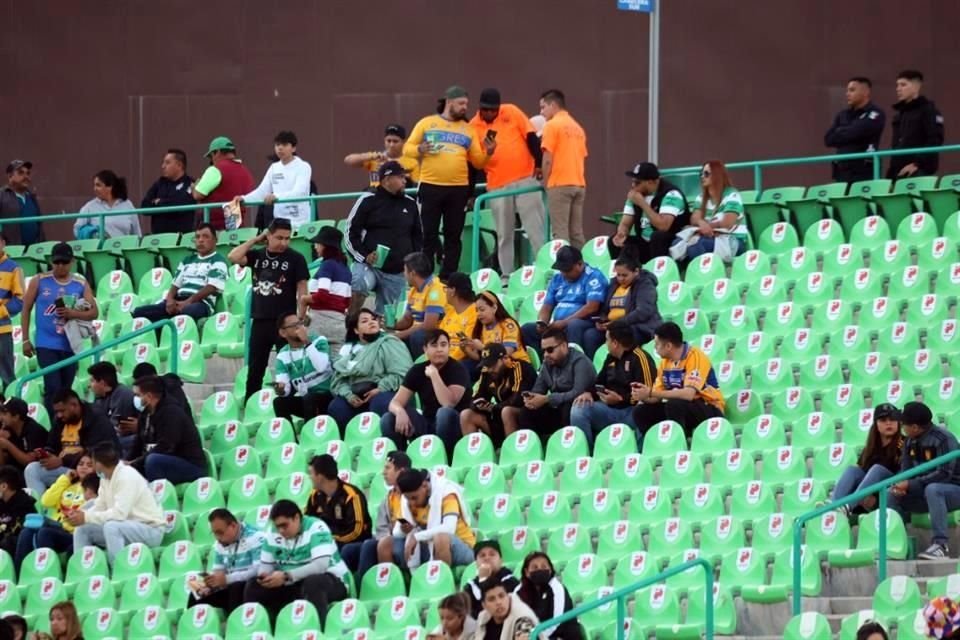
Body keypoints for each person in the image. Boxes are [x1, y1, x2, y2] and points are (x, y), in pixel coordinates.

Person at [404, 85, 494, 279]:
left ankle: (448, 275)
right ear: (449, 102)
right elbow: (407, 149)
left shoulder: (468, 130)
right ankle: (425, 276)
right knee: (428, 234)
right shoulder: (427, 123)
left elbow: (478, 162)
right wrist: (420, 149)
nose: (465, 107)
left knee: (454, 235)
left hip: (458, 189)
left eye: (466, 104)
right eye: (461, 103)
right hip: (430, 186)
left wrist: (489, 152)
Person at [228, 218, 310, 400]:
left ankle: (289, 405)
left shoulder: (296, 258)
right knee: (255, 369)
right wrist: (256, 240)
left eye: (287, 238)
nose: (284, 243)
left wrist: (301, 317)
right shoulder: (257, 255)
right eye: (279, 238)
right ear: (269, 236)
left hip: (286, 323)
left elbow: (302, 288)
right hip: (260, 320)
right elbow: (233, 257)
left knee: (289, 367)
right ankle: (251, 404)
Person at [470, 88, 546, 275]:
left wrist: (538, 163)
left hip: (525, 179)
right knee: (504, 233)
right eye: (486, 109)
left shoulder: (511, 111)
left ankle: (545, 269)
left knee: (536, 227)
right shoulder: (473, 126)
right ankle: (507, 274)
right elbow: (472, 164)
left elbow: (530, 137)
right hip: (498, 185)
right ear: (480, 107)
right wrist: (471, 193)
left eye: (493, 110)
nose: (490, 113)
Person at [20, 243, 98, 410]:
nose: (60, 266)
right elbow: (25, 309)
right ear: (51, 261)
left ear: (72, 261)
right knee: (53, 386)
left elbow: (94, 312)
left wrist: (73, 313)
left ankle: (64, 421)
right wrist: (25, 339)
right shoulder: (39, 281)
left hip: (69, 343)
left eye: (64, 262)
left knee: (65, 389)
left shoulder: (80, 283)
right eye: (56, 262)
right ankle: (54, 422)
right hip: (45, 343)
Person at [244, 499, 349, 622]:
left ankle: (317, 628)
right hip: (293, 582)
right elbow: (266, 566)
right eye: (278, 526)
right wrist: (266, 577)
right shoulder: (272, 533)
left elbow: (320, 566)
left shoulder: (317, 527)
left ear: (297, 518)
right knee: (253, 586)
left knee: (313, 582)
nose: (280, 531)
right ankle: (266, 628)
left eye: (284, 525)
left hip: (331, 580)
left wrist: (286, 576)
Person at [345, 160, 423, 316]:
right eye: (400, 177)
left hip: (397, 272)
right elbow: (350, 233)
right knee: (358, 282)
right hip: (369, 266)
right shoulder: (367, 200)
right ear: (387, 180)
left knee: (389, 319)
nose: (405, 181)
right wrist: (365, 256)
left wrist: (411, 265)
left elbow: (418, 238)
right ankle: (351, 321)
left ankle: (378, 327)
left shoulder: (410, 204)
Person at [382, 329, 471, 459]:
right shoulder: (417, 370)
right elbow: (395, 402)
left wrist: (434, 375)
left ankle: (446, 458)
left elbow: (448, 403)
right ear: (425, 349)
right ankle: (401, 460)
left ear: (449, 347)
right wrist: (400, 411)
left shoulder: (458, 369)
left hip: (453, 425)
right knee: (389, 418)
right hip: (427, 423)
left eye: (443, 345)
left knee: (444, 413)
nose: (439, 349)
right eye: (434, 345)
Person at [70, 443, 164, 563]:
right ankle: (81, 570)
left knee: (112, 526)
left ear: (99, 464)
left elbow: (119, 514)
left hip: (150, 530)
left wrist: (87, 517)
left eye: (92, 462)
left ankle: (118, 569)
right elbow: (100, 506)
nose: (92, 466)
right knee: (82, 528)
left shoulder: (127, 476)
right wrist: (81, 516)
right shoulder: (105, 477)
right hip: (126, 527)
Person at [889, 402, 960, 560]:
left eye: (904, 424)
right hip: (926, 492)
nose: (902, 427)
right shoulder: (909, 441)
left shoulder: (944, 439)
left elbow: (944, 475)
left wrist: (910, 484)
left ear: (915, 427)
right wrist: (900, 485)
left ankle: (941, 545)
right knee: (890, 494)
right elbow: (906, 470)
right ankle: (896, 544)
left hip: (953, 490)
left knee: (933, 489)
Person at [570, 320, 656, 445]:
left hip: (632, 411)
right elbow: (599, 382)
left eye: (607, 340)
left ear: (615, 343)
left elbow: (648, 394)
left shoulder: (640, 358)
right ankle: (587, 451)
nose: (606, 343)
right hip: (609, 409)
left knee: (642, 411)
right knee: (579, 408)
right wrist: (589, 393)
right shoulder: (611, 358)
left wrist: (620, 399)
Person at [632, 321, 725, 437]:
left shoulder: (695, 356)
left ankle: (679, 441)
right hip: (681, 408)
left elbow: (689, 394)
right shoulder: (664, 363)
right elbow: (657, 396)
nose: (655, 347)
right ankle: (656, 442)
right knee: (640, 412)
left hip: (709, 407)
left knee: (674, 404)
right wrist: (643, 395)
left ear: (668, 346)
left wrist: (651, 392)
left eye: (657, 344)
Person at [327, 308, 413, 433]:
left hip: (385, 391)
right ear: (356, 330)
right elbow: (338, 380)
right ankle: (351, 441)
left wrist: (380, 388)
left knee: (379, 402)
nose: (371, 322)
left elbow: (403, 373)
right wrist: (349, 395)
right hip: (356, 395)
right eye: (364, 321)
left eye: (373, 319)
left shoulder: (389, 343)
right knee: (337, 407)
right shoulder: (350, 351)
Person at [507, 327, 596, 440]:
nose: (545, 355)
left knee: (568, 407)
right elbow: (538, 389)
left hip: (578, 407)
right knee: (526, 412)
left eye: (550, 350)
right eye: (543, 351)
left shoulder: (580, 362)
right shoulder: (547, 363)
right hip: (556, 408)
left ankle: (569, 444)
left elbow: (577, 393)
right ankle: (533, 446)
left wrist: (547, 399)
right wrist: (532, 398)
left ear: (563, 346)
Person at [24, 389, 115, 497]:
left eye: (62, 411)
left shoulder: (96, 418)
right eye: (57, 412)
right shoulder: (60, 420)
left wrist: (62, 461)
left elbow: (97, 451)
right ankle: (40, 506)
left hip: (89, 471)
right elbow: (52, 444)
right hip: (66, 469)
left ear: (74, 405)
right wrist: (48, 454)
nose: (59, 415)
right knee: (32, 469)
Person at [132, 222, 228, 322]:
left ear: (215, 240)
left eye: (205, 236)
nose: (200, 240)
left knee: (187, 312)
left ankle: (167, 323)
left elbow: (211, 287)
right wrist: (169, 300)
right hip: (178, 299)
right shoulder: (187, 260)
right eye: (197, 237)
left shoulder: (218, 261)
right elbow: (175, 284)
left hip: (201, 303)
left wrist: (188, 302)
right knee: (139, 312)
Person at [521, 246, 606, 357]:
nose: (564, 273)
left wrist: (565, 322)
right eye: (561, 270)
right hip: (558, 324)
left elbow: (592, 307)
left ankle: (573, 362)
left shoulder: (594, 276)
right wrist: (542, 322)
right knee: (527, 329)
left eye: (567, 270)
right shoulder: (557, 279)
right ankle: (544, 362)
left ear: (580, 264)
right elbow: (547, 306)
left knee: (574, 325)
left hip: (584, 322)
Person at [381, 468, 475, 569]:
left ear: (425, 486)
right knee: (385, 543)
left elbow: (449, 528)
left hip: (460, 547)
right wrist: (404, 530)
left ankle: (440, 577)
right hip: (427, 548)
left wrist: (416, 536)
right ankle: (398, 578)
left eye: (414, 498)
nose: (412, 503)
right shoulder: (407, 501)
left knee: (441, 538)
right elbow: (396, 532)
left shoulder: (446, 494)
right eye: (408, 499)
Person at [14, 453, 94, 569]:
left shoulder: (95, 489)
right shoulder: (67, 485)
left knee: (44, 532)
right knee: (27, 531)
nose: (84, 467)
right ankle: (20, 573)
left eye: (89, 465)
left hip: (74, 533)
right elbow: (45, 502)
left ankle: (47, 570)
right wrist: (65, 479)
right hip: (57, 527)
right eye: (81, 464)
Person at [127, 375, 206, 484]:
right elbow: (138, 443)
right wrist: (127, 462)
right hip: (163, 460)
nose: (135, 399)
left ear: (149, 396)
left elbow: (166, 447)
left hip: (189, 464)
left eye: (137, 395)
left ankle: (158, 492)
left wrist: (136, 462)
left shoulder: (172, 413)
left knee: (153, 460)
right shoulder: (145, 414)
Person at [580, 254, 661, 357]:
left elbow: (643, 312)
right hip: (612, 327)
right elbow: (605, 309)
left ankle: (624, 365)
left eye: (624, 275)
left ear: (636, 272)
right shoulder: (614, 284)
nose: (621, 278)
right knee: (591, 335)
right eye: (618, 275)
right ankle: (593, 365)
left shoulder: (645, 285)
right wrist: (602, 320)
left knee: (623, 336)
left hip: (637, 327)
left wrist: (617, 324)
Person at [188, 508, 266, 615]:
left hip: (251, 589)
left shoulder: (256, 537)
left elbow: (259, 571)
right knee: (197, 592)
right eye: (214, 533)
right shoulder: (219, 543)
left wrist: (227, 579)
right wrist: (212, 581)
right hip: (231, 587)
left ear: (233, 526)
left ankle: (235, 623)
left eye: (220, 533)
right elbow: (218, 571)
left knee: (236, 587)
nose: (217, 538)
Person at [609, 162, 689, 263]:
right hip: (645, 242)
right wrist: (622, 233)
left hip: (670, 243)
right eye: (632, 182)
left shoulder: (671, 194)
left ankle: (658, 270)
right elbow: (625, 223)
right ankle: (621, 271)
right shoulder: (636, 195)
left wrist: (642, 203)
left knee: (658, 237)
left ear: (651, 182)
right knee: (613, 242)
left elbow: (663, 226)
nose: (633, 186)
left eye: (637, 183)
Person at [832, 403, 903, 516]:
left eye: (892, 419)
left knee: (877, 470)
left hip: (889, 494)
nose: (888, 423)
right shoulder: (871, 446)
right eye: (883, 420)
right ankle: (834, 506)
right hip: (866, 497)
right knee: (852, 470)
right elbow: (861, 473)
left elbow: (903, 476)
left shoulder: (904, 443)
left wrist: (874, 497)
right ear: (876, 424)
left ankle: (847, 506)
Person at [460, 343, 536, 448]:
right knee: (466, 414)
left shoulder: (519, 367)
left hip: (525, 416)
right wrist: (479, 405)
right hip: (499, 415)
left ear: (505, 358)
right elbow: (476, 396)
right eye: (487, 365)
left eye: (492, 365)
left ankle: (512, 452)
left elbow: (518, 399)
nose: (490, 369)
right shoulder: (486, 371)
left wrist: (494, 408)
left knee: (507, 411)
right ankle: (478, 455)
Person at [304, 454, 371, 572]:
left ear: (320, 477)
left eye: (311, 474)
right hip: (325, 542)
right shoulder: (315, 496)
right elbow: (307, 522)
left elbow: (356, 531)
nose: (309, 477)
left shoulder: (351, 495)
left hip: (353, 543)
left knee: (340, 551)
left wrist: (330, 539)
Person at [232, 130, 312, 229]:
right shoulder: (274, 168)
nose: (280, 148)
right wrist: (244, 199)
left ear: (294, 148)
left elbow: (299, 192)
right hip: (280, 224)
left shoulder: (303, 166)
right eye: (277, 145)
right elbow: (262, 192)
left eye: (284, 144)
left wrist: (276, 196)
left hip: (300, 223)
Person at [671, 160, 747, 263]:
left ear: (717, 175)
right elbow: (694, 218)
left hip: (733, 240)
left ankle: (702, 272)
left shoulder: (732, 195)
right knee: (677, 243)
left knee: (696, 245)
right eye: (701, 174)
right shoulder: (701, 197)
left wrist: (707, 227)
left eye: (706, 174)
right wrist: (701, 223)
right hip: (708, 237)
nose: (702, 176)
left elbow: (727, 223)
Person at [540, 89, 588, 248]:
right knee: (576, 233)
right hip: (579, 184)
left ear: (553, 105)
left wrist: (546, 182)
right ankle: (582, 261)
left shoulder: (551, 126)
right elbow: (582, 156)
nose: (541, 112)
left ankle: (564, 263)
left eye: (543, 107)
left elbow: (547, 159)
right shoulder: (578, 128)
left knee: (560, 233)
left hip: (559, 184)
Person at [356, 450, 411, 581]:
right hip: (390, 539)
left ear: (401, 471)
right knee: (350, 550)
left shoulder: (413, 494)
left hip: (408, 539)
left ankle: (374, 586)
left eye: (388, 468)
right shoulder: (388, 498)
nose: (383, 472)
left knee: (369, 546)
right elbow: (381, 529)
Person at [272, 312, 333, 421]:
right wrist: (280, 390)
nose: (299, 327)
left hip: (329, 397)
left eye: (300, 323)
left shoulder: (318, 340)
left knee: (309, 398)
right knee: (279, 402)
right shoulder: (283, 355)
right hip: (307, 400)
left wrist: (307, 342)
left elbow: (321, 367)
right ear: (283, 332)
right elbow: (286, 390)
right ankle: (289, 432)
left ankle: (309, 431)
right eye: (294, 325)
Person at [824, 77, 886, 183]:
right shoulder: (842, 114)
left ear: (866, 92)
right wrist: (851, 130)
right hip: (842, 171)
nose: (847, 94)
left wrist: (840, 130)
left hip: (864, 171)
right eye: (847, 90)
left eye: (852, 90)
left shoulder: (875, 113)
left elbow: (858, 131)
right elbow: (828, 139)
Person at [300, 226, 351, 353]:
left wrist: (304, 299)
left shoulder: (327, 265)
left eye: (318, 244)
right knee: (338, 362)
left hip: (320, 323)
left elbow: (322, 295)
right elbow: (347, 301)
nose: (315, 247)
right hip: (339, 324)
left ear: (325, 246)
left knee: (314, 361)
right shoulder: (345, 268)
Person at [887, 70, 946, 179]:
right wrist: (891, 172)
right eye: (897, 85)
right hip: (899, 172)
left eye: (903, 85)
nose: (898, 89)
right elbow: (895, 147)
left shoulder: (929, 110)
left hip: (919, 171)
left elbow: (935, 140)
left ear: (916, 87)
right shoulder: (899, 115)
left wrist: (917, 164)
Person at [193, 136, 256, 229]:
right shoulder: (245, 171)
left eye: (211, 156)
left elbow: (197, 195)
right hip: (237, 225)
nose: (211, 160)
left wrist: (195, 186)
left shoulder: (215, 169)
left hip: (214, 228)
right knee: (232, 237)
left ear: (217, 152)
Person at [515, 552, 582, 640]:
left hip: (560, 634)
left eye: (544, 567)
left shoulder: (557, 588)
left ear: (550, 570)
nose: (539, 570)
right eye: (535, 567)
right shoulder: (519, 590)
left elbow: (556, 622)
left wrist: (535, 637)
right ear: (527, 572)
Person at [393, 251, 446, 355]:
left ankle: (423, 364)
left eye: (405, 271)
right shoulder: (414, 290)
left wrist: (401, 335)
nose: (404, 274)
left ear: (412, 273)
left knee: (417, 337)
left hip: (437, 335)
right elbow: (407, 320)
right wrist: (390, 326)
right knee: (390, 341)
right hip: (416, 333)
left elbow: (428, 326)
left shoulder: (435, 290)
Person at [463, 291, 531, 366]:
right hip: (494, 366)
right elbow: (481, 358)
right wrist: (465, 349)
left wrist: (483, 347)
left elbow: (506, 353)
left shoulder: (508, 324)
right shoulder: (482, 328)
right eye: (476, 310)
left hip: (516, 365)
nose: (478, 314)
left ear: (494, 308)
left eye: (482, 310)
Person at [344, 123, 420, 189]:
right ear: (384, 141)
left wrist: (399, 174)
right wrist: (371, 156)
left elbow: (416, 187)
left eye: (395, 141)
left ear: (403, 142)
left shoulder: (412, 162)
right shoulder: (375, 158)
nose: (391, 145)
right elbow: (348, 160)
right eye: (388, 141)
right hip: (375, 196)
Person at [85, 362, 137, 458]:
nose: (89, 385)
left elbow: (113, 430)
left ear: (102, 383)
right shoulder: (99, 399)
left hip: (127, 439)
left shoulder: (123, 394)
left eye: (92, 381)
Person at [141, 148, 197, 234]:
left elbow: (181, 206)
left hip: (181, 237)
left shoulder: (190, 183)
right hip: (158, 238)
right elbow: (144, 207)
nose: (163, 166)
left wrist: (159, 202)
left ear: (179, 165)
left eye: (167, 163)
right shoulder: (159, 183)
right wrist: (169, 203)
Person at [73, 170, 140, 239]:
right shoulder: (89, 207)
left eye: (98, 185)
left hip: (125, 245)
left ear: (109, 187)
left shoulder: (127, 204)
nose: (95, 189)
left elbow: (137, 232)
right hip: (101, 246)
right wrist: (92, 234)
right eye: (94, 185)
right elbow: (77, 230)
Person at [464, 540, 520, 619]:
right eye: (482, 555)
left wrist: (484, 580)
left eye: (492, 554)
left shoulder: (511, 582)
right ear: (476, 563)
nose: (487, 558)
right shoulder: (470, 586)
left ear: (501, 561)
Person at [438, 272, 478, 377]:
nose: (445, 292)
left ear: (453, 291)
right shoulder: (450, 312)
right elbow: (438, 337)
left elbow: (466, 346)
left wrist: (445, 362)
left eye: (446, 288)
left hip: (461, 362)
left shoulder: (474, 312)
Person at [475, 580, 544, 640]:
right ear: (484, 605)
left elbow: (526, 631)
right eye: (492, 599)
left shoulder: (522, 617)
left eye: (501, 596)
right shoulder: (483, 618)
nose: (498, 602)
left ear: (508, 597)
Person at [0, 160, 44, 245]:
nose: (26, 176)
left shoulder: (32, 197)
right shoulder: (2, 195)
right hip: (10, 250)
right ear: (10, 176)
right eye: (21, 173)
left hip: (33, 250)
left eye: (28, 173)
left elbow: (39, 225)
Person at [0, 233, 23, 388]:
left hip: (2, 330)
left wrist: (1, 311)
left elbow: (20, 300)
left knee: (7, 376)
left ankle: (10, 402)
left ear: (2, 243)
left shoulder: (13, 268)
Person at [0, 399, 47, 473]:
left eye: (4, 414)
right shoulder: (8, 428)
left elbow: (30, 462)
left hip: (39, 471)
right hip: (15, 471)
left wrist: (8, 445)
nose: (1, 417)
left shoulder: (34, 430)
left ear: (16, 417)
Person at [0, 466, 36, 556]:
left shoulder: (25, 504)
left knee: (7, 542)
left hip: (17, 550)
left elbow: (24, 536)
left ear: (4, 486)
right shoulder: (2, 503)